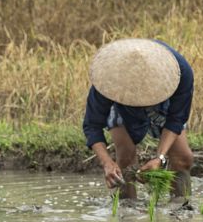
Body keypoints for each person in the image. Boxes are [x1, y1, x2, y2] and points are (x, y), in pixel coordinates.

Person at [82, 38, 194, 199]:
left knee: (183, 158)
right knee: (126, 158)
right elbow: (92, 125)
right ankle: (128, 214)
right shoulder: (108, 81)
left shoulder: (179, 72)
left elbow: (176, 119)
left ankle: (181, 211)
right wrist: (107, 163)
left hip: (163, 103)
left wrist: (159, 158)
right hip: (121, 104)